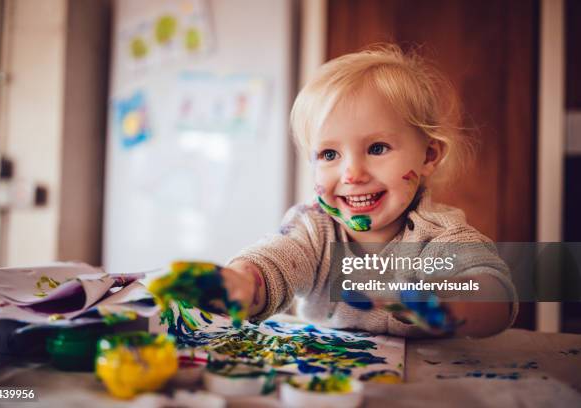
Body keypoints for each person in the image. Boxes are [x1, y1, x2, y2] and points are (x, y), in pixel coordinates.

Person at [219, 44, 517, 338]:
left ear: (428, 156)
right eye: (329, 154)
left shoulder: (439, 237)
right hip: (327, 377)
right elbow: (275, 260)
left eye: (377, 148)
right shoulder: (313, 229)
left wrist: (451, 300)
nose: (353, 174)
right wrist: (244, 280)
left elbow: (495, 292)